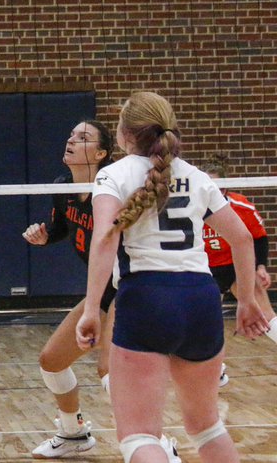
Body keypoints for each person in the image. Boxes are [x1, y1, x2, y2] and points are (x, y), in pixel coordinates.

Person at [76, 91, 269, 463]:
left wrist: (90, 310)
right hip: (201, 298)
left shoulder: (114, 175)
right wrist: (246, 300)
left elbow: (104, 239)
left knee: (139, 435)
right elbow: (243, 238)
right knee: (207, 427)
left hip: (146, 297)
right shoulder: (195, 175)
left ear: (125, 134)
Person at [21, 119, 124, 459]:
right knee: (51, 361)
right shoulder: (63, 187)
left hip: (128, 286)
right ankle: (74, 434)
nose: (72, 140)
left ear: (102, 152)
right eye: (71, 135)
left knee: (109, 369)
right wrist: (44, 236)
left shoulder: (113, 188)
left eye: (83, 138)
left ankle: (154, 440)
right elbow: (62, 227)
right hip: (101, 291)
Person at [201, 155, 277, 386]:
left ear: (225, 187)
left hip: (236, 266)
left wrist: (260, 267)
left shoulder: (240, 206)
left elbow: (259, 238)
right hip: (206, 269)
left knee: (264, 315)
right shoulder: (192, 208)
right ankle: (216, 369)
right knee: (205, 320)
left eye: (217, 186)